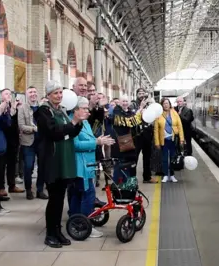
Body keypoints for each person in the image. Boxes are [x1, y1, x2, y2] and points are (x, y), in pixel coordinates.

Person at [35, 80, 85, 248]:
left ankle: (57, 230)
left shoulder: (62, 111)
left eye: (60, 92)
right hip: (52, 160)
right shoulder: (43, 111)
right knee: (54, 199)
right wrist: (72, 123)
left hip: (63, 160)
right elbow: (54, 132)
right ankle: (50, 233)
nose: (59, 96)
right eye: (55, 93)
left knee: (60, 198)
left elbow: (71, 133)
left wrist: (78, 121)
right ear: (48, 95)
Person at [67, 97, 115, 238]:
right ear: (76, 110)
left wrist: (98, 140)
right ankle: (85, 224)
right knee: (88, 195)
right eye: (85, 109)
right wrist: (97, 141)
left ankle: (75, 222)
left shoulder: (85, 122)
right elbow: (75, 145)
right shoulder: (72, 123)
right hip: (79, 165)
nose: (88, 111)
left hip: (87, 164)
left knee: (78, 194)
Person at [18, 86, 47, 200]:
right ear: (26, 94)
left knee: (42, 167)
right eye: (30, 92)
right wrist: (34, 129)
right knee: (28, 167)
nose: (33, 94)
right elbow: (21, 126)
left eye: (34, 91)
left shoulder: (43, 108)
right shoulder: (22, 108)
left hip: (42, 142)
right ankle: (29, 190)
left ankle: (40, 190)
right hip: (28, 142)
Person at [111, 95, 146, 181]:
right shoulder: (116, 111)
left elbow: (136, 123)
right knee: (120, 167)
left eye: (126, 101)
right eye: (123, 101)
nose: (125, 103)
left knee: (130, 166)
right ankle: (118, 186)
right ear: (119, 102)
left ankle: (130, 185)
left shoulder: (130, 112)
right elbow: (130, 122)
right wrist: (139, 112)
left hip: (130, 144)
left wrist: (140, 111)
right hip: (120, 144)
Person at [154, 98, 184, 183]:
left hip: (173, 139)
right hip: (164, 140)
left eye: (167, 103)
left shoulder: (175, 113)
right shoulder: (158, 114)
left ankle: (172, 175)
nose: (166, 105)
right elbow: (156, 130)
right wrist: (157, 142)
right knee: (164, 158)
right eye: (164, 103)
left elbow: (180, 126)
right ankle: (166, 175)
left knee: (173, 158)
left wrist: (182, 139)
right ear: (162, 105)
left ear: (170, 104)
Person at [129, 88, 154, 183]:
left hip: (147, 134)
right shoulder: (133, 105)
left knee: (147, 157)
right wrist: (140, 109)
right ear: (137, 94)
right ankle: (132, 178)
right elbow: (132, 118)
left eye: (143, 93)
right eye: (140, 93)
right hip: (136, 135)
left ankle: (147, 177)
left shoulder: (149, 106)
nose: (142, 95)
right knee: (134, 157)